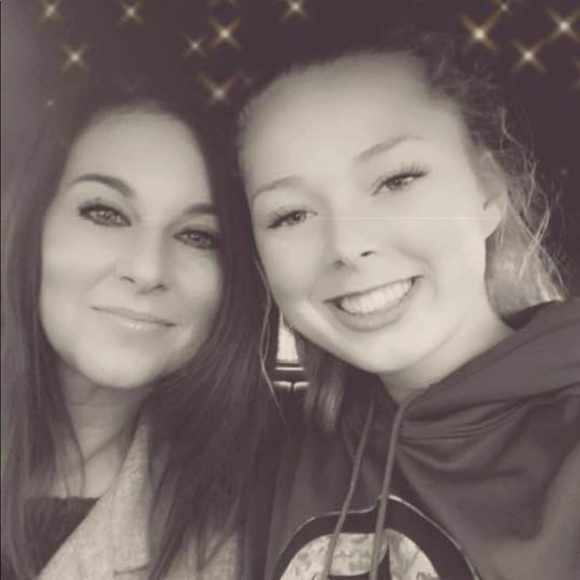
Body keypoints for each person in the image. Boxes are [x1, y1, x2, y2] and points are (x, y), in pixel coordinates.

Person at [237, 29, 580, 580]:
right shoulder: (274, 457)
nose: (348, 245)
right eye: (291, 215)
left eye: (397, 180)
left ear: (489, 190)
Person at [1, 78, 273, 580]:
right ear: (32, 226)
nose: (147, 270)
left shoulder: (260, 525)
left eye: (197, 235)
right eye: (105, 213)